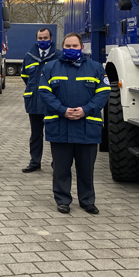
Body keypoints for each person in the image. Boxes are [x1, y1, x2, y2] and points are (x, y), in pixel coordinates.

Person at [38, 32, 110, 215]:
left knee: (86, 169)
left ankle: (87, 201)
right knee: (61, 168)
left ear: (82, 47)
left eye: (75, 46)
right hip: (60, 126)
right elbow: (44, 92)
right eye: (68, 47)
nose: (71, 49)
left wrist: (86, 109)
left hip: (87, 127)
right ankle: (63, 200)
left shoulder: (96, 69)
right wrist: (63, 110)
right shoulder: (50, 68)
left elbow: (103, 92)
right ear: (63, 47)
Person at [21, 27, 58, 173]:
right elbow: (25, 77)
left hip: (53, 103)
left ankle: (57, 163)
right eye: (40, 38)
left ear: (51, 39)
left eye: (45, 38)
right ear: (36, 39)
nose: (43, 41)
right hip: (34, 102)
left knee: (54, 134)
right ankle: (35, 162)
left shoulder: (58, 56)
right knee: (35, 134)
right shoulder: (29, 56)